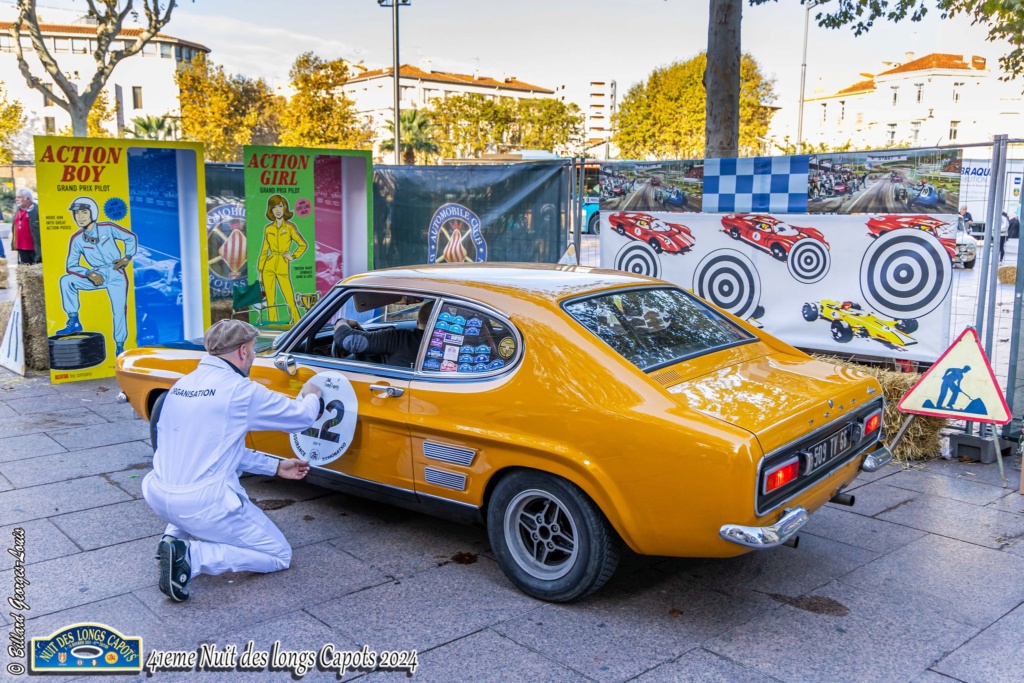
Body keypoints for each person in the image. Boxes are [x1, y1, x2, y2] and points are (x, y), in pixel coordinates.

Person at [142, 319, 324, 602]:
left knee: (190, 475)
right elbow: (300, 418)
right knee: (277, 554)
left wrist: (275, 466)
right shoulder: (241, 390)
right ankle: (192, 554)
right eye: (253, 349)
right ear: (242, 351)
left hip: (158, 495)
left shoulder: (182, 385)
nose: (253, 355)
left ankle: (172, 538)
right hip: (203, 505)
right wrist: (313, 393)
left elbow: (218, 449)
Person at [334, 299, 435, 369]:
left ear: (417, 322)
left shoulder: (401, 338)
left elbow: (348, 340)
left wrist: (341, 321)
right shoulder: (447, 344)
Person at [257, 195, 307, 324]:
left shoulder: (290, 227)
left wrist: (293, 256)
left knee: (289, 297)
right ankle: (273, 325)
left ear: (285, 208)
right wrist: (260, 272)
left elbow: (303, 244)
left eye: (280, 206)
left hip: (283, 264)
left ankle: (297, 323)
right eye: (274, 207)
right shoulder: (268, 229)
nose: (277, 210)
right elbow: (263, 250)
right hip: (269, 265)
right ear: (270, 210)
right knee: (270, 300)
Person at [11, 188, 41, 265]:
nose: (16, 199)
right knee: (26, 269)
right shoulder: (18, 210)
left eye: (19, 197)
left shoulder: (37, 209)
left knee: (36, 269)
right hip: (21, 247)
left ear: (28, 199)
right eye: (16, 197)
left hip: (34, 248)